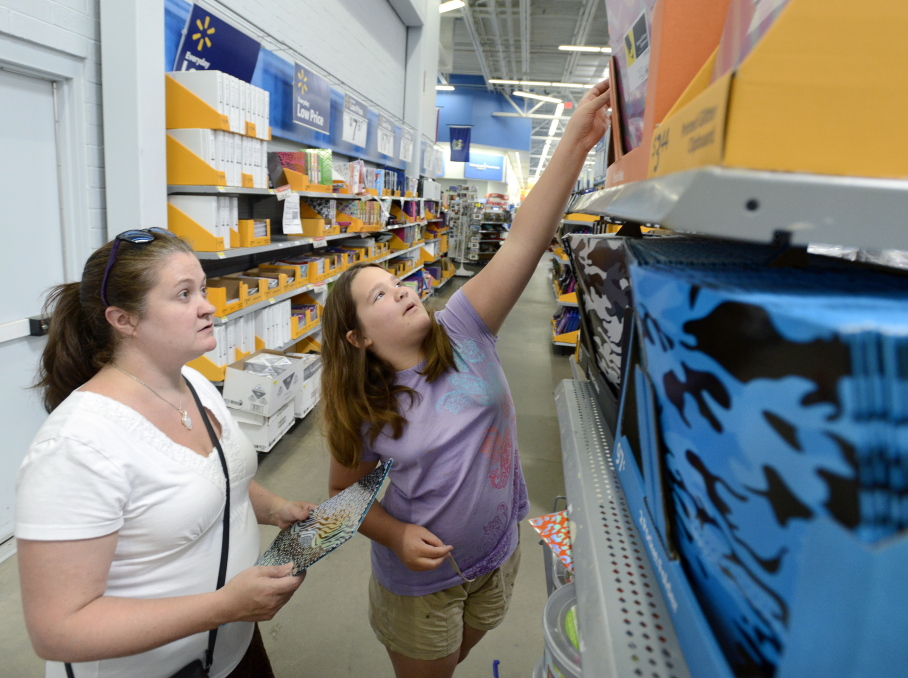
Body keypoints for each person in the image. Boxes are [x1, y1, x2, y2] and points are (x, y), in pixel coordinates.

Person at [323, 80, 611, 678]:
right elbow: (345, 500)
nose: (401, 289)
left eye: (396, 281)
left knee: (458, 655)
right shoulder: (361, 406)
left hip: (499, 555)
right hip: (421, 583)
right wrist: (396, 535)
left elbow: (527, 236)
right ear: (359, 339)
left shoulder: (464, 328)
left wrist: (579, 141)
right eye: (379, 295)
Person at [16, 229, 317, 678]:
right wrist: (222, 606)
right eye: (183, 294)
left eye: (201, 288)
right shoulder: (75, 446)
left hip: (232, 649)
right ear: (124, 320)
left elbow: (216, 473)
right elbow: (58, 630)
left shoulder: (193, 384)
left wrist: (275, 508)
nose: (208, 305)